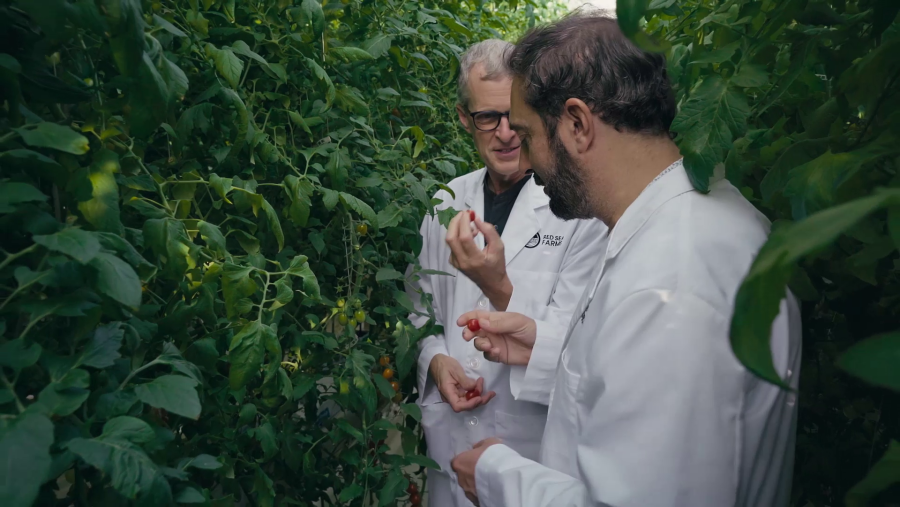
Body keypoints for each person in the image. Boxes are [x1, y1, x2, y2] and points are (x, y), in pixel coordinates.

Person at [449, 14, 802, 507]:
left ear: (576, 124)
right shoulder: (689, 224)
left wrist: (495, 474)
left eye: (528, 136)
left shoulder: (672, 286)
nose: (524, 161)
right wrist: (542, 350)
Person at [404, 39, 608, 507]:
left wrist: (499, 289)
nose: (504, 133)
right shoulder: (445, 202)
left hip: (530, 451)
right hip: (450, 443)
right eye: (485, 118)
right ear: (463, 118)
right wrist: (435, 361)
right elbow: (419, 311)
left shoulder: (580, 212)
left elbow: (581, 348)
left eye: (512, 116)